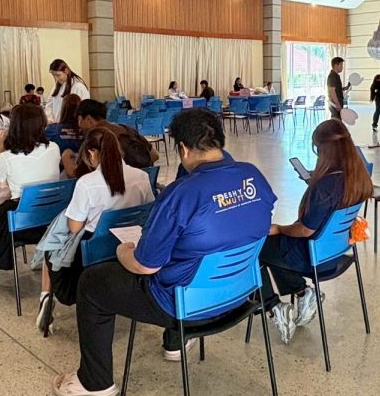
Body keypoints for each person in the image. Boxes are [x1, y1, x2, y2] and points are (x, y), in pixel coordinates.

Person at [50, 109, 276, 396]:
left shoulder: (181, 193)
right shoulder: (252, 175)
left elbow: (145, 266)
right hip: (238, 294)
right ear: (220, 141)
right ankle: (175, 343)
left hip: (183, 306)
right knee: (188, 255)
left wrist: (123, 251)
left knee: (92, 281)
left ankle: (95, 383)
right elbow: (260, 226)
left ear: (182, 149)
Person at [258, 119, 373, 344]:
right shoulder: (358, 177)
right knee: (275, 245)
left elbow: (304, 229)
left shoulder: (324, 187)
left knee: (257, 247)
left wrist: (280, 228)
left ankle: (273, 306)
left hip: (312, 257)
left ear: (324, 150)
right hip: (335, 252)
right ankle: (303, 292)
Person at [34, 126, 156, 336]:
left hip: (94, 249)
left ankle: (46, 296)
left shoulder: (87, 183)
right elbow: (148, 212)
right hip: (129, 244)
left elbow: (74, 227)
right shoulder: (141, 177)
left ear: (92, 153)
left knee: (51, 244)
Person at [0, 104, 62, 286]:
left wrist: (0, 148)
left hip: (20, 224)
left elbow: (0, 196)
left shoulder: (6, 158)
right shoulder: (54, 148)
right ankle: (40, 254)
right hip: (50, 220)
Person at [60, 99, 158, 174]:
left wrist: (66, 156)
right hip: (142, 187)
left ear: (89, 119)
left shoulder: (94, 138)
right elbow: (154, 155)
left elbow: (77, 174)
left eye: (79, 119)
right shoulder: (127, 130)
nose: (79, 125)